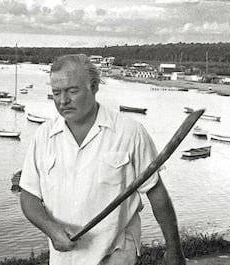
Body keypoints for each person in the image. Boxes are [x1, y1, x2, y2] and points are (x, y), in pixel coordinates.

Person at [19, 54, 185, 265]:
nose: (63, 101)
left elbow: (156, 193)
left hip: (116, 255)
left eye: (72, 91)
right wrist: (50, 229)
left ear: (94, 87)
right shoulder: (44, 136)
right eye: (56, 93)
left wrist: (174, 249)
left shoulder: (130, 132)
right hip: (64, 259)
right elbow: (29, 195)